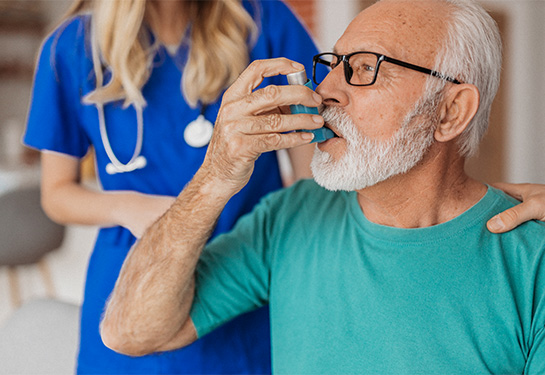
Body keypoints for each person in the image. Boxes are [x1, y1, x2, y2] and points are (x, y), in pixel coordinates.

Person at [100, 0, 545, 373]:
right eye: (332, 64)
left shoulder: (532, 262)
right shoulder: (291, 215)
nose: (324, 89)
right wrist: (214, 177)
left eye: (365, 67)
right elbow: (129, 331)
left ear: (450, 111)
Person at [23, 0, 319, 373]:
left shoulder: (263, 21)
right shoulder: (71, 48)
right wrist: (126, 207)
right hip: (135, 282)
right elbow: (57, 195)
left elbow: (314, 180)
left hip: (245, 279)